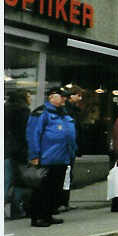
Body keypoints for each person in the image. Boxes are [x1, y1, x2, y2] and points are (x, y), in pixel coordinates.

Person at [25, 87, 77, 227]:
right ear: (52, 97)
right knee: (42, 189)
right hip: (46, 157)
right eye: (62, 96)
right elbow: (33, 134)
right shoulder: (41, 113)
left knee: (55, 189)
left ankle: (47, 214)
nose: (65, 99)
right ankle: (38, 217)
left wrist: (72, 152)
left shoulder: (63, 113)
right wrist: (34, 155)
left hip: (62, 157)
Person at [5, 89, 32, 219]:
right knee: (20, 180)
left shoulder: (5, 109)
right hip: (19, 150)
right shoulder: (23, 111)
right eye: (28, 96)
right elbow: (25, 132)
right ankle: (16, 209)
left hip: (6, 150)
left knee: (6, 180)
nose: (30, 98)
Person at [57, 84, 85, 212]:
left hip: (70, 147)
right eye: (78, 95)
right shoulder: (68, 110)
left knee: (67, 175)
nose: (80, 98)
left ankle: (64, 201)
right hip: (66, 148)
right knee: (65, 175)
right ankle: (61, 202)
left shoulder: (72, 110)